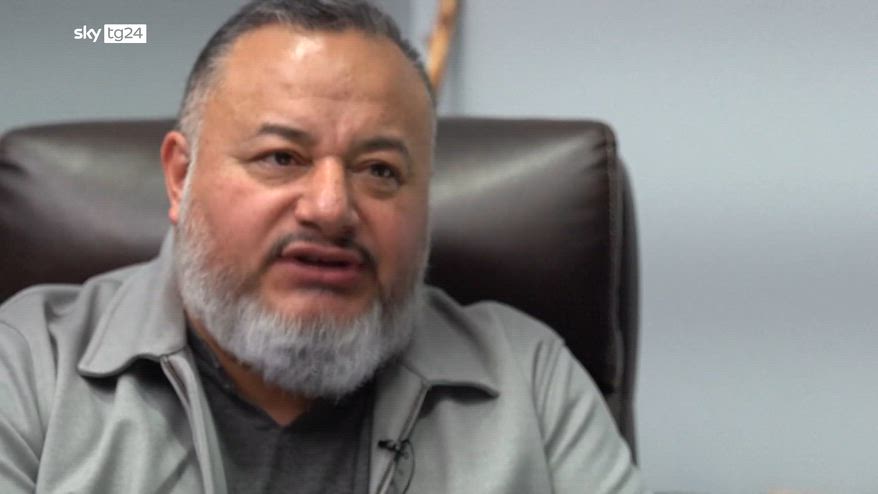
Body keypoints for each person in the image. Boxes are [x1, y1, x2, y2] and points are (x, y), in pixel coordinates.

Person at [0, 1, 648, 492]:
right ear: (180, 176)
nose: (332, 208)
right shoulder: (28, 368)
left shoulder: (531, 382)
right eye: (282, 157)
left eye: (380, 170)